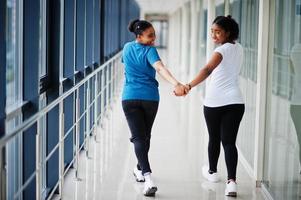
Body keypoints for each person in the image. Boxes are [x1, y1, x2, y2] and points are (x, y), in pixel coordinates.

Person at [176, 15, 245, 197]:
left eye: (218, 32)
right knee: (229, 142)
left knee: (214, 138)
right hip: (236, 101)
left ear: (227, 33)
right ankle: (231, 183)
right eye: (212, 32)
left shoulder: (220, 51)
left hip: (215, 102)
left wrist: (188, 86)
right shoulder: (239, 49)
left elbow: (207, 70)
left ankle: (212, 172)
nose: (213, 35)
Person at [121, 19, 186, 197]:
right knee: (142, 137)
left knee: (142, 137)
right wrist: (176, 83)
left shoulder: (127, 48)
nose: (153, 38)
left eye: (154, 34)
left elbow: (126, 66)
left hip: (131, 97)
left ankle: (138, 168)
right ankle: (148, 178)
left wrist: (177, 83)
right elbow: (160, 68)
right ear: (139, 36)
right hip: (148, 97)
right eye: (150, 36)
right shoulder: (150, 51)